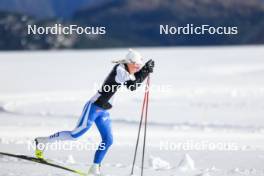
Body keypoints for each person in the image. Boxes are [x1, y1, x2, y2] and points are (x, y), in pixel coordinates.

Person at [34, 49, 155, 176]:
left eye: (139, 66)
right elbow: (132, 86)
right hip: (93, 107)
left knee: (108, 140)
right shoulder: (119, 69)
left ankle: (95, 167)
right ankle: (43, 141)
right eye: (136, 65)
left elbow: (134, 79)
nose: (137, 68)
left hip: (104, 111)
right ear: (129, 62)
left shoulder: (126, 69)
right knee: (75, 135)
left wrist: (144, 70)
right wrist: (145, 71)